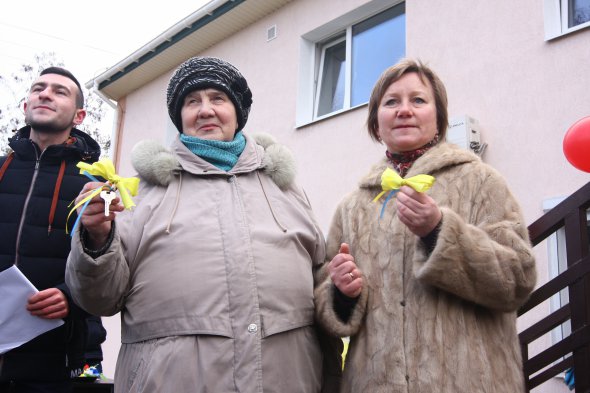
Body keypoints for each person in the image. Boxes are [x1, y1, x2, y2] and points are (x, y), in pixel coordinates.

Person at [65, 56, 341, 393]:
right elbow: (99, 300)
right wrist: (97, 237)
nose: (205, 110)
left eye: (218, 98)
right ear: (180, 117)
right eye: (192, 101)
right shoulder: (143, 193)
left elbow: (321, 278)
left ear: (238, 111)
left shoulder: (285, 189)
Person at [314, 58, 537, 393]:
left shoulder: (481, 182)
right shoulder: (352, 206)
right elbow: (325, 308)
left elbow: (518, 278)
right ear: (377, 123)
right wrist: (341, 294)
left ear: (439, 118)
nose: (404, 110)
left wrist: (439, 231)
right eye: (391, 102)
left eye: (418, 100)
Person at [0, 67, 106, 392]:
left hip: (54, 365)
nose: (45, 94)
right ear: (25, 106)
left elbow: (111, 266)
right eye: (38, 88)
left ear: (79, 115)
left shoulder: (95, 186)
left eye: (59, 91)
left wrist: (70, 297)